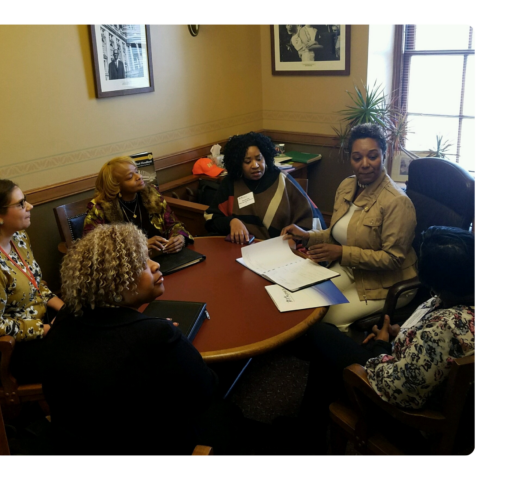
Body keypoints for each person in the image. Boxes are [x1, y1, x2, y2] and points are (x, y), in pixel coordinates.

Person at [40, 223, 241, 456]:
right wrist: (168, 339)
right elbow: (204, 391)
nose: (155, 265)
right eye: (141, 264)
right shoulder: (157, 335)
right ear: (116, 282)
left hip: (74, 442)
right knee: (229, 414)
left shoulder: (65, 318)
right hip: (146, 444)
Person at [292, 226, 476, 452]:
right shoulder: (460, 298)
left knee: (321, 337)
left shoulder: (443, 328)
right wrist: (401, 335)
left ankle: (304, 438)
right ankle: (305, 436)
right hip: (411, 368)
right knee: (327, 350)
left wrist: (380, 346)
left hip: (406, 414)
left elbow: (400, 392)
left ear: (440, 285)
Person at [282, 123, 418, 332]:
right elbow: (340, 234)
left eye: (372, 156)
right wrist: (307, 236)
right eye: (357, 158)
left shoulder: (397, 202)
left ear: (384, 154)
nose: (365, 164)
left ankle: (354, 360)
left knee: (330, 318)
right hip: (352, 269)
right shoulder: (347, 185)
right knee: (311, 306)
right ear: (350, 159)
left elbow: (392, 258)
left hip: (387, 281)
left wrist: (341, 253)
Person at [0, 178, 64, 382]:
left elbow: (38, 285)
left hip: (43, 319)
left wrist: (65, 310)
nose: (30, 206)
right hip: (17, 346)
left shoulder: (19, 237)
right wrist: (48, 329)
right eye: (21, 204)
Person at [204, 131, 326, 243]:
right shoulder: (231, 183)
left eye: (259, 159)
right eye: (247, 161)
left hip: (281, 250)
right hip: (240, 250)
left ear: (266, 157)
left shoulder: (281, 180)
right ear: (237, 164)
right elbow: (211, 218)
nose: (255, 165)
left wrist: (295, 239)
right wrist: (231, 222)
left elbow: (314, 220)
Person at [83, 156, 193, 255]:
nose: (139, 176)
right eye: (130, 177)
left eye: (137, 171)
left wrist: (179, 237)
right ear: (115, 185)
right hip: (129, 270)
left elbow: (173, 224)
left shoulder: (152, 194)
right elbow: (93, 249)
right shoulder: (99, 208)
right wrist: (138, 246)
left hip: (162, 257)